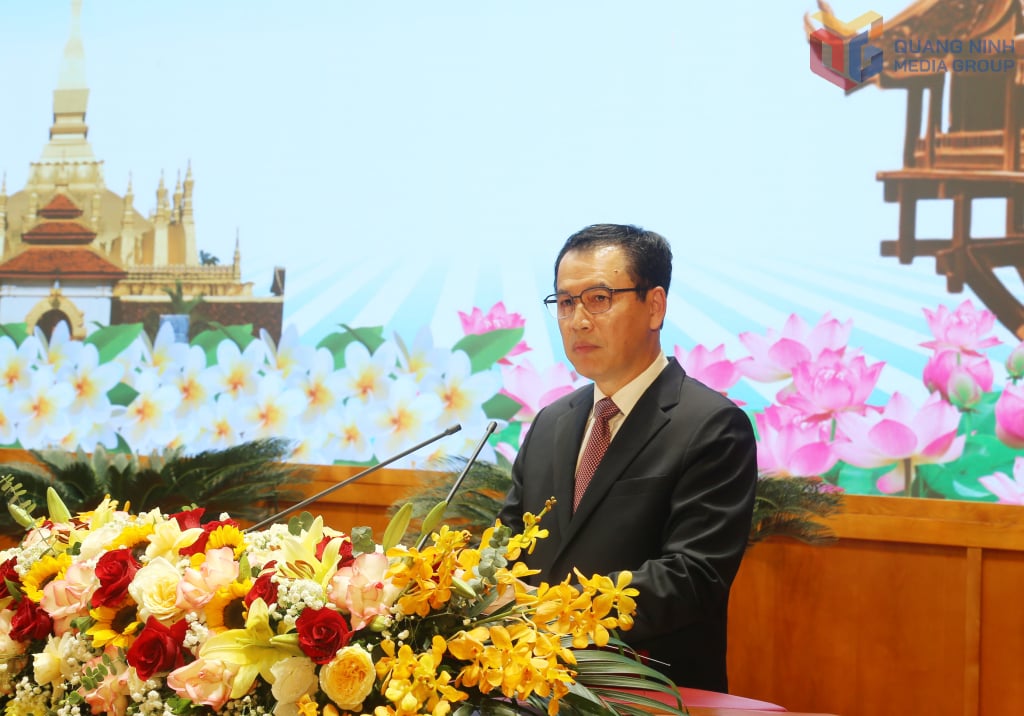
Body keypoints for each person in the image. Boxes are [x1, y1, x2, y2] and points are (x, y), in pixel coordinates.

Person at [497, 223, 757, 693]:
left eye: (599, 298)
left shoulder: (711, 425)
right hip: (534, 691)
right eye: (566, 302)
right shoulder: (552, 422)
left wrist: (556, 607)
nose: (577, 321)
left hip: (646, 693)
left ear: (654, 306)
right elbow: (510, 542)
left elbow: (692, 575)